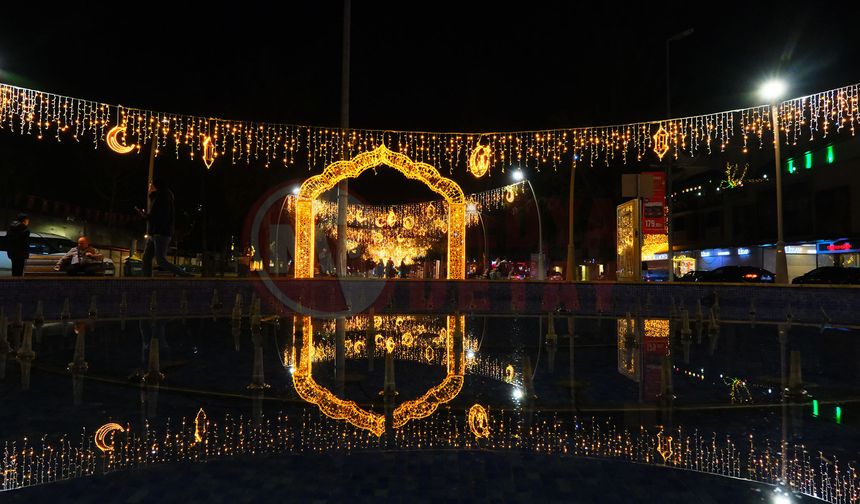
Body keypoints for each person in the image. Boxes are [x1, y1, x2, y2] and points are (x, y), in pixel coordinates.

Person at [137, 177, 192, 277]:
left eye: (151, 185)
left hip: (160, 233)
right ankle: (146, 280)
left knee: (160, 260)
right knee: (147, 258)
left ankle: (184, 274)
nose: (150, 187)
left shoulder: (163, 197)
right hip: (156, 232)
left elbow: (159, 215)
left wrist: (145, 216)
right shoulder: (161, 196)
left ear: (157, 187)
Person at [6, 213, 30, 277]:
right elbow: (25, 244)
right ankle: (18, 285)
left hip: (12, 253)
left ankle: (14, 284)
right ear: (24, 220)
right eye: (27, 220)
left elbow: (8, 241)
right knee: (19, 272)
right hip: (21, 254)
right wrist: (26, 254)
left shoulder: (10, 228)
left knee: (14, 270)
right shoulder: (25, 229)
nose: (28, 222)